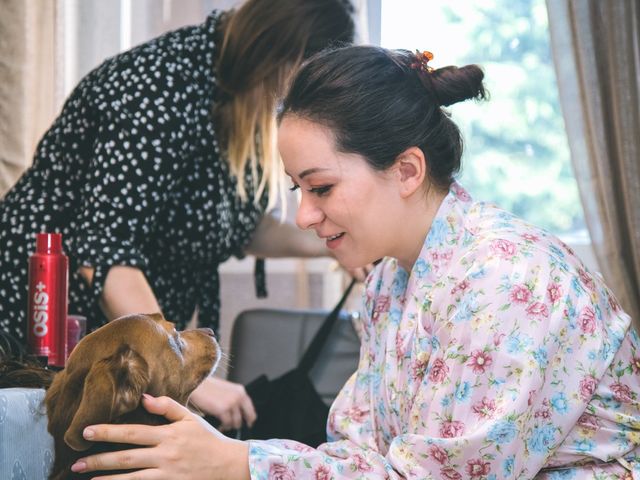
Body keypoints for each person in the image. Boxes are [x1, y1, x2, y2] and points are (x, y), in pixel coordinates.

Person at [70, 45, 640, 479]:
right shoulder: (392, 280)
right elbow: (359, 453)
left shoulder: (508, 282)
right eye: (297, 188)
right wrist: (229, 456)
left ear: (408, 171)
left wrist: (241, 463)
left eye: (320, 187)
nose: (303, 216)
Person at [0, 0, 355, 430]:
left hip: (124, 335)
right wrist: (188, 373)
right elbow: (106, 255)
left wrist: (335, 238)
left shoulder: (236, 102)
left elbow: (235, 229)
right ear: (282, 55)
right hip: (41, 318)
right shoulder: (157, 86)